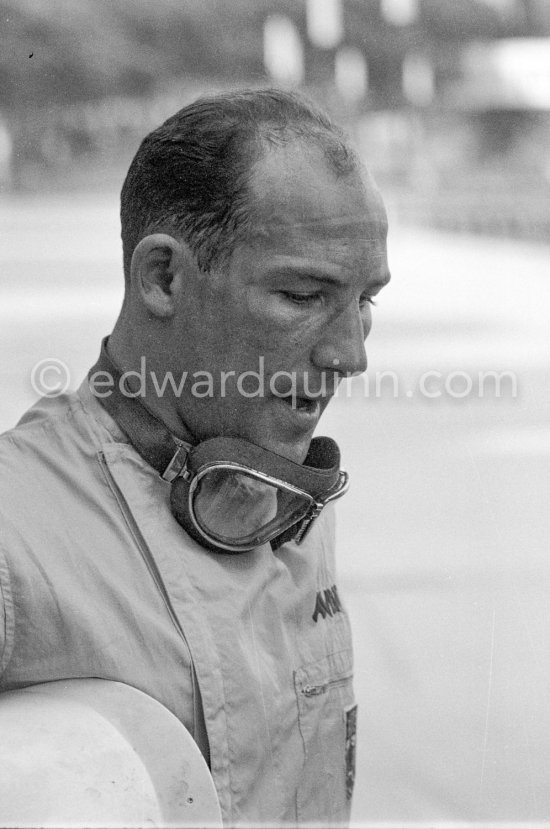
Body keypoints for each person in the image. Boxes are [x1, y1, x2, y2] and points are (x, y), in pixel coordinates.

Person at [0, 88, 390, 826]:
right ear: (162, 278)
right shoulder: (12, 530)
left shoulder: (286, 492)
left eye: (366, 302)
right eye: (304, 294)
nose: (351, 354)